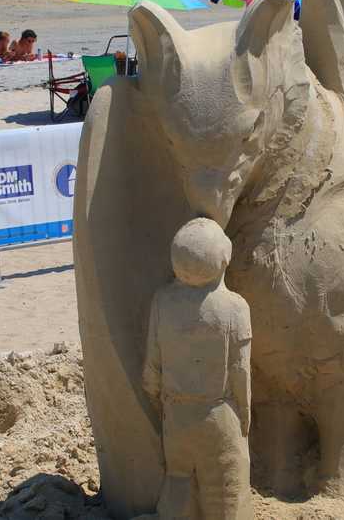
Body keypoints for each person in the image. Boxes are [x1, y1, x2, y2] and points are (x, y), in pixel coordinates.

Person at [143, 218, 252, 520]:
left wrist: (162, 401)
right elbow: (240, 370)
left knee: (178, 481)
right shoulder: (235, 308)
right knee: (225, 487)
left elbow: (151, 371)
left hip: (176, 414)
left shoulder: (162, 302)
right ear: (223, 257)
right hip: (219, 413)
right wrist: (244, 412)